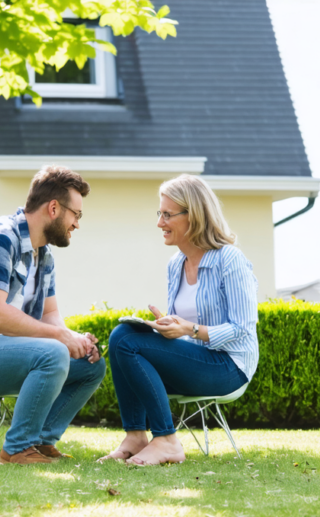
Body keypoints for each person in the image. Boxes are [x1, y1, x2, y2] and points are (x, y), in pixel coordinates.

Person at [0, 165, 106, 465]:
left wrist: (74, 340)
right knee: (52, 352)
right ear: (54, 208)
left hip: (7, 356)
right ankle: (15, 450)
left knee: (91, 365)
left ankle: (39, 442)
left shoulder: (44, 256)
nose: (77, 224)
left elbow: (50, 315)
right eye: (76, 214)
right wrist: (59, 339)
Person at [101, 174, 259, 466]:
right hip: (196, 361)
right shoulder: (175, 264)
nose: (160, 223)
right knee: (122, 335)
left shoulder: (230, 260)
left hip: (229, 367)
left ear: (194, 216)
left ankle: (167, 441)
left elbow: (243, 330)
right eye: (159, 213)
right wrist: (167, 328)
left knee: (125, 338)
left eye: (167, 214)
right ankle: (136, 437)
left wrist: (191, 330)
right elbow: (183, 332)